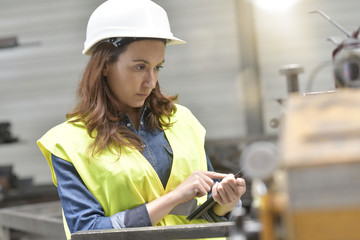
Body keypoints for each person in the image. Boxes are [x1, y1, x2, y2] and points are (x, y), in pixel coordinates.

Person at [37, 0, 246, 239]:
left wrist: (225, 202)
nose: (151, 81)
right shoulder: (68, 143)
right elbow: (87, 232)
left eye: (158, 67)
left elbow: (205, 211)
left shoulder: (182, 121)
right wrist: (173, 198)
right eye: (139, 67)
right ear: (105, 66)